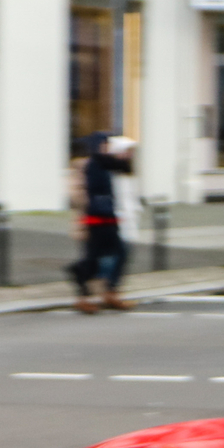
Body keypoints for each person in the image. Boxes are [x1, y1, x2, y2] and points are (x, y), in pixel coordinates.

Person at [67, 133, 136, 313]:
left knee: (119, 253)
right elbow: (82, 195)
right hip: (96, 220)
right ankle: (83, 292)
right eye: (104, 144)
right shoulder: (92, 164)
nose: (107, 148)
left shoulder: (105, 163)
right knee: (93, 261)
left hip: (109, 219)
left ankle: (109, 292)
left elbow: (126, 168)